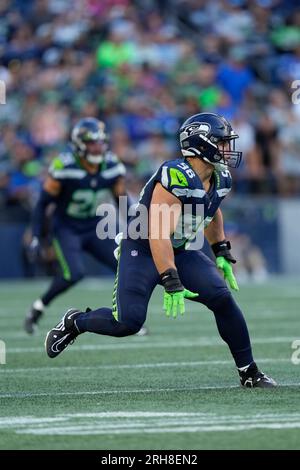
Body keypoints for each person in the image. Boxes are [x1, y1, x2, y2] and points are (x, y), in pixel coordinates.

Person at [45, 112, 276, 388]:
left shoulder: (221, 177)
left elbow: (212, 212)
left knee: (222, 299)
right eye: (222, 142)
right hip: (141, 249)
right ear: (201, 144)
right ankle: (76, 322)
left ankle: (249, 372)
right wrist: (170, 278)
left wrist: (221, 249)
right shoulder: (175, 175)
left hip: (177, 249)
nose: (228, 148)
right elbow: (157, 233)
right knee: (127, 322)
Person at [25, 117, 147, 336]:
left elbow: (122, 201)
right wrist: (37, 236)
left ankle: (126, 317)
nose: (97, 147)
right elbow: (43, 203)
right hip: (67, 227)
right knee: (73, 274)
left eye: (100, 142)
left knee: (124, 264)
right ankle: (38, 308)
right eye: (92, 142)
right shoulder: (65, 166)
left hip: (94, 226)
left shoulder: (111, 165)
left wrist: (137, 227)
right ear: (80, 144)